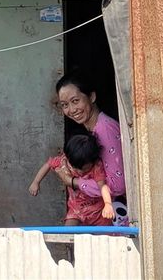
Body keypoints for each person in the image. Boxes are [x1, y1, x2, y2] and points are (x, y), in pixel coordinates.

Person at [53, 72, 126, 203]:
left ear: (91, 97)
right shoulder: (91, 128)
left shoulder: (105, 130)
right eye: (65, 105)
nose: (72, 110)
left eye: (75, 101)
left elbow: (118, 185)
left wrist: (73, 182)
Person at [29, 133, 114, 226]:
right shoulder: (64, 160)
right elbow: (48, 164)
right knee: (68, 231)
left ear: (93, 160)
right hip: (76, 209)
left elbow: (102, 186)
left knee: (104, 236)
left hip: (98, 210)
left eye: (84, 168)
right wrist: (36, 182)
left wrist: (108, 204)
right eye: (75, 167)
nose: (79, 171)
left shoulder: (97, 166)